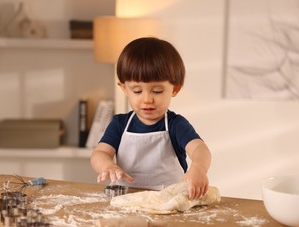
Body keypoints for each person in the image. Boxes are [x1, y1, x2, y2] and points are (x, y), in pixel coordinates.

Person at [90, 37, 211, 200]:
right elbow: (100, 153)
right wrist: (107, 165)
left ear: (175, 89)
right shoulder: (119, 124)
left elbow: (200, 149)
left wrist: (198, 168)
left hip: (168, 201)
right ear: (124, 88)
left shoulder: (176, 125)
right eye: (137, 91)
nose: (147, 99)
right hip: (126, 200)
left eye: (157, 91)